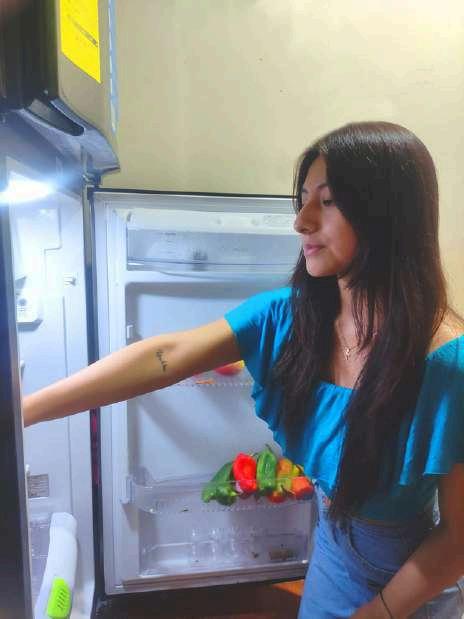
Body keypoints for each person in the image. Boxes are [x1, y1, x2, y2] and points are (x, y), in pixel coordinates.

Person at [23, 121, 464, 619]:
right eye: (302, 200)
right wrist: (23, 411)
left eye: (327, 201)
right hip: (333, 555)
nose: (301, 222)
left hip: (412, 578)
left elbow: (458, 538)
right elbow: (163, 355)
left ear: (386, 215)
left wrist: (379, 612)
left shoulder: (449, 364)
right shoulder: (288, 317)